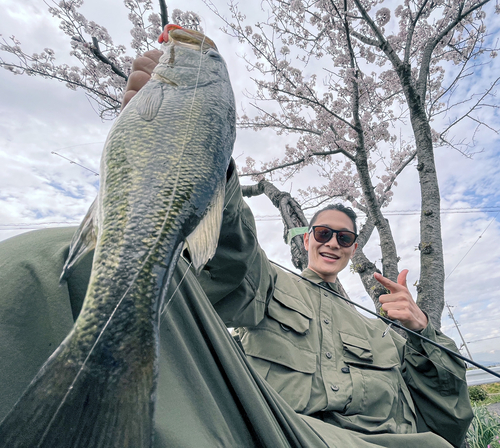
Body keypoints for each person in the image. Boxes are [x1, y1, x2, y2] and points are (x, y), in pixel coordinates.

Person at [0, 48, 472, 448]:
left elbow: (450, 422)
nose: (332, 242)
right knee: (52, 260)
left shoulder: (385, 332)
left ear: (353, 249)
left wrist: (422, 332)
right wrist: (197, 141)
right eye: (322, 232)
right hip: (276, 431)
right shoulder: (270, 283)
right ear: (305, 238)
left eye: (344, 237)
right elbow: (231, 263)